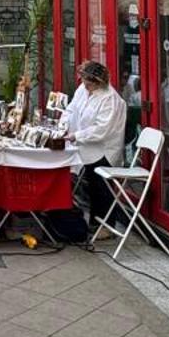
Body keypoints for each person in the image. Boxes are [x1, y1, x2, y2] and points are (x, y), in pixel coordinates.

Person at [65, 60, 127, 243]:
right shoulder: (82, 90)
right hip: (85, 145)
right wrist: (63, 124)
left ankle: (106, 225)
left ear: (100, 82)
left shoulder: (110, 99)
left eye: (90, 83)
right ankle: (93, 222)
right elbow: (72, 109)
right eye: (84, 81)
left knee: (100, 186)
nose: (86, 86)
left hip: (104, 149)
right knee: (90, 185)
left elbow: (102, 130)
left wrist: (77, 135)